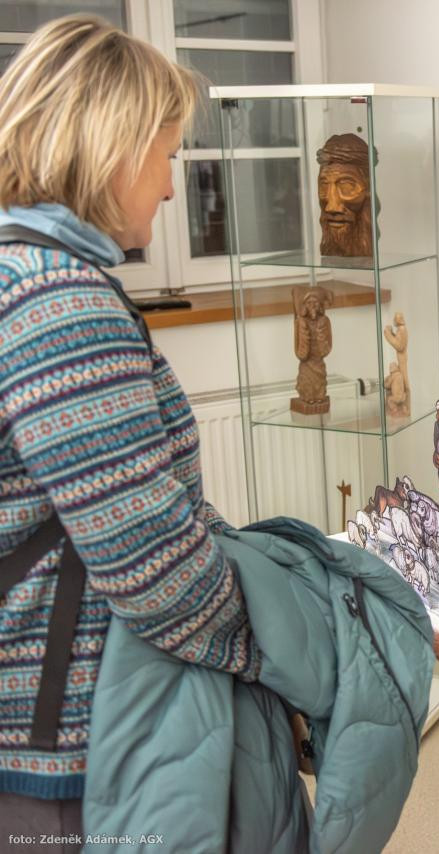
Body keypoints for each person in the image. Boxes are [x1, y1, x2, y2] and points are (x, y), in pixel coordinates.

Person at [0, 16, 261, 835]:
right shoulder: (61, 303)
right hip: (62, 743)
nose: (173, 188)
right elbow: (154, 568)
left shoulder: (19, 271)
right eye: (168, 155)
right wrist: (270, 648)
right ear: (116, 149)